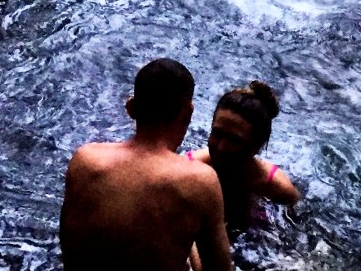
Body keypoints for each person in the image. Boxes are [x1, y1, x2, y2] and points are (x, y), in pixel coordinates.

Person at [59, 58, 233, 271]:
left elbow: (69, 248)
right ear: (188, 113)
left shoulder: (85, 161)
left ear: (131, 108)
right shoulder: (200, 181)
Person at [185, 81, 299, 236]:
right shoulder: (189, 167)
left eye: (235, 141)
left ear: (257, 146)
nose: (221, 147)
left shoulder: (275, 188)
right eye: (217, 134)